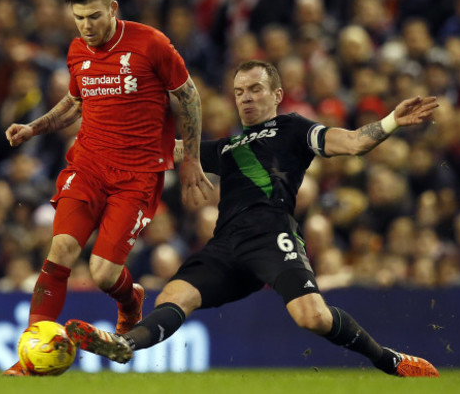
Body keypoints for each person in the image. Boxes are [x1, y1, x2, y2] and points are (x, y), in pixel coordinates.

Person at [65, 60, 440, 377]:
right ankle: (124, 345)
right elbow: (168, 150)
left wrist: (391, 121)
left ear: (276, 95)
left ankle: (388, 359)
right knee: (174, 295)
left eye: (255, 89)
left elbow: (354, 142)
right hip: (226, 243)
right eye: (240, 91)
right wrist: (107, 127)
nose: (246, 97)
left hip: (271, 234)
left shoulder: (293, 128)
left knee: (312, 318)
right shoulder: (226, 148)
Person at [3, 0, 212, 376]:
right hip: (88, 166)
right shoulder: (76, 51)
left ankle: (129, 300)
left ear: (113, 8)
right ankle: (32, 352)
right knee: (61, 248)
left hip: (137, 176)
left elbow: (189, 98)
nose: (86, 26)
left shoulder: (151, 44)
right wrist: (34, 127)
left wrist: (191, 161)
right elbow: (74, 101)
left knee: (102, 274)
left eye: (94, 16)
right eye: (79, 18)